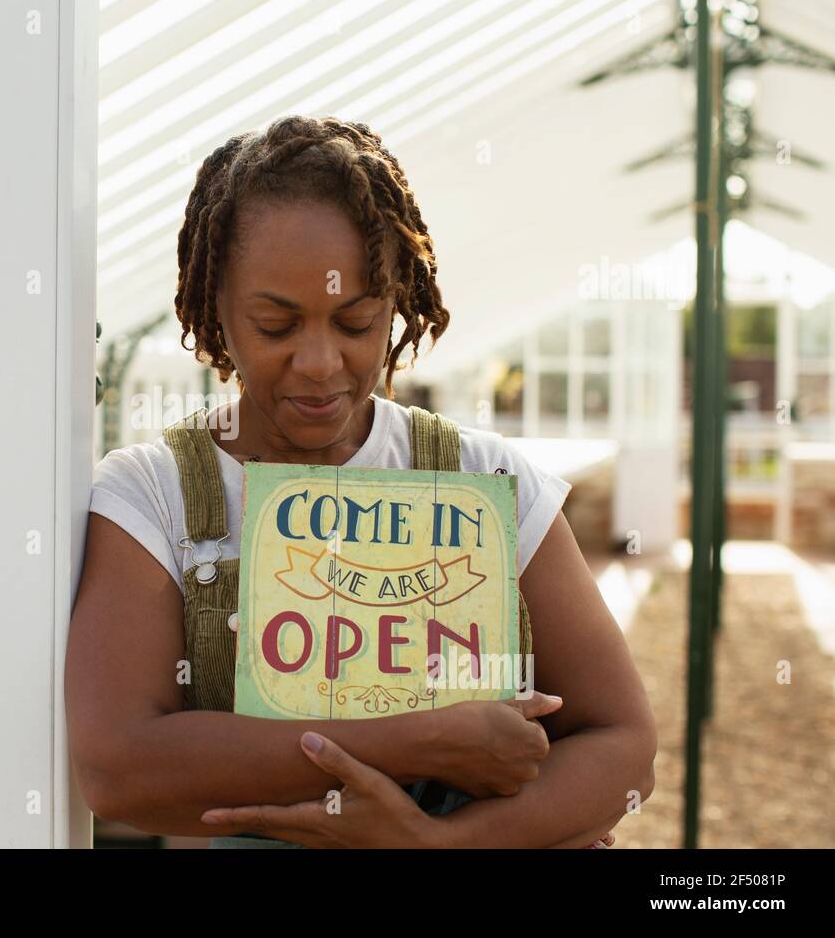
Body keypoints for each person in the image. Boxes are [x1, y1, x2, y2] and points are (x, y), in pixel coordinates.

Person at [65, 115, 656, 848]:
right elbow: (118, 768)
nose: (319, 362)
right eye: (276, 326)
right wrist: (416, 741)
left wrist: (434, 844)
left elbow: (624, 745)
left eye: (355, 322)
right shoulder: (155, 497)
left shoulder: (486, 478)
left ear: (397, 302)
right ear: (215, 310)